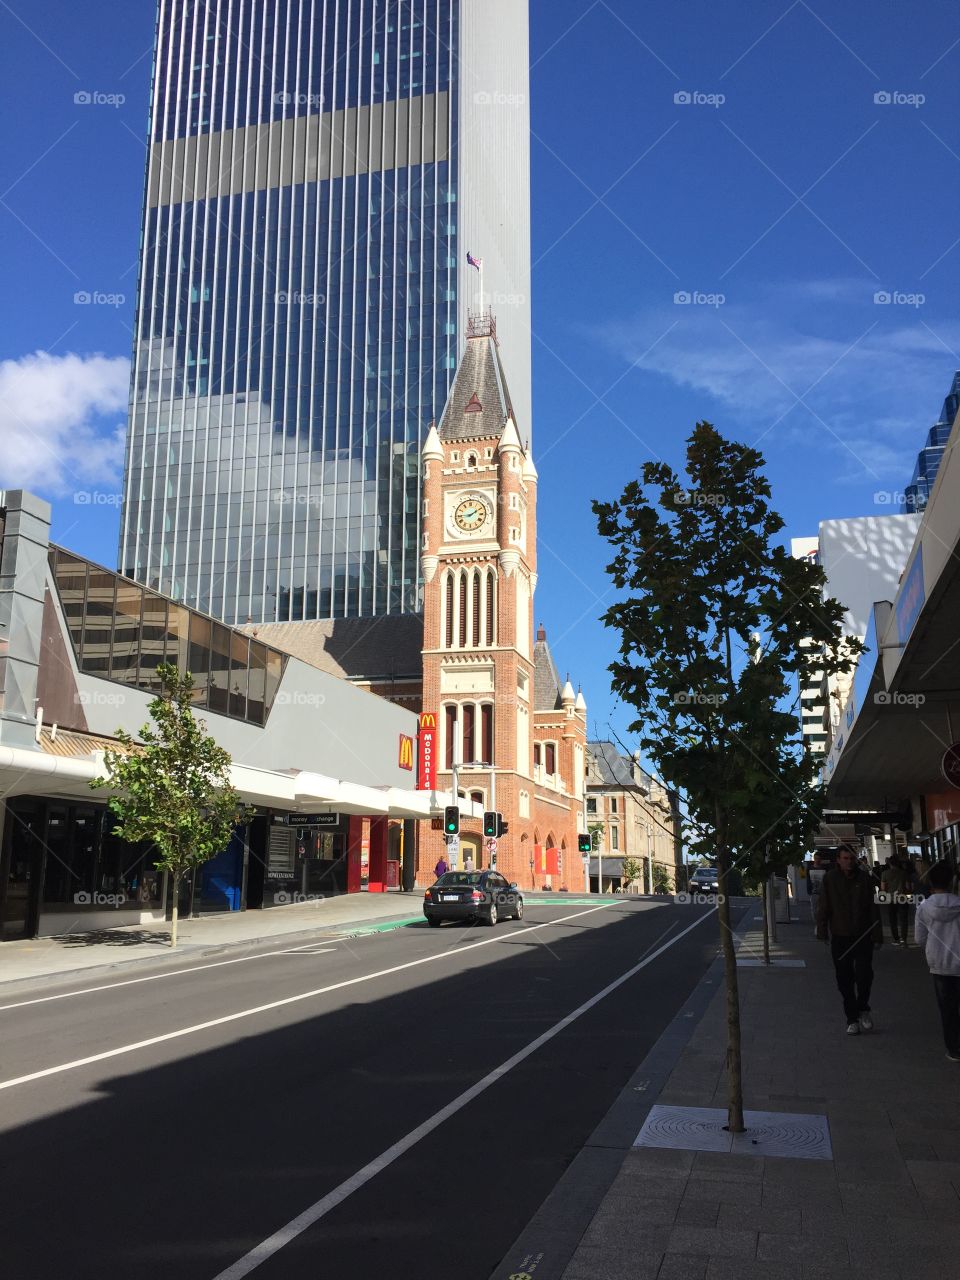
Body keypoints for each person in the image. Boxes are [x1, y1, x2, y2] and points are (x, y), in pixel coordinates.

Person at [817, 843, 883, 1035]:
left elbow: (873, 908)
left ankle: (863, 1007)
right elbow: (824, 906)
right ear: (838, 860)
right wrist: (822, 931)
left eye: (851, 858)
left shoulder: (865, 879)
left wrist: (877, 934)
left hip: (863, 935)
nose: (848, 862)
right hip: (840, 935)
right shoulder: (830, 879)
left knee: (864, 975)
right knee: (844, 979)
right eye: (845, 858)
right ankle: (852, 1018)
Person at [914, 860, 960, 1062]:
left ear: (931, 883)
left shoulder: (924, 907)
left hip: (939, 964)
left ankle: (954, 1048)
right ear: (951, 881)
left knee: (947, 1009)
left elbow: (919, 938)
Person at [881, 853, 910, 947]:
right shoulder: (904, 873)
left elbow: (883, 888)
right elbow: (908, 887)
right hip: (902, 898)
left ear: (890, 863)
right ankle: (904, 940)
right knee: (903, 920)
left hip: (891, 899)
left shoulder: (884, 874)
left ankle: (896, 939)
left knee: (893, 920)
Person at [808, 851, 827, 926]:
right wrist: (809, 890)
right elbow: (808, 880)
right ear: (814, 859)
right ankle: (817, 924)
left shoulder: (824, 868)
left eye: (819, 859)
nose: (817, 860)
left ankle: (821, 923)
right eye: (816, 858)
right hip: (814, 892)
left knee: (822, 909)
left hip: (823, 892)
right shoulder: (810, 868)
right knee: (814, 909)